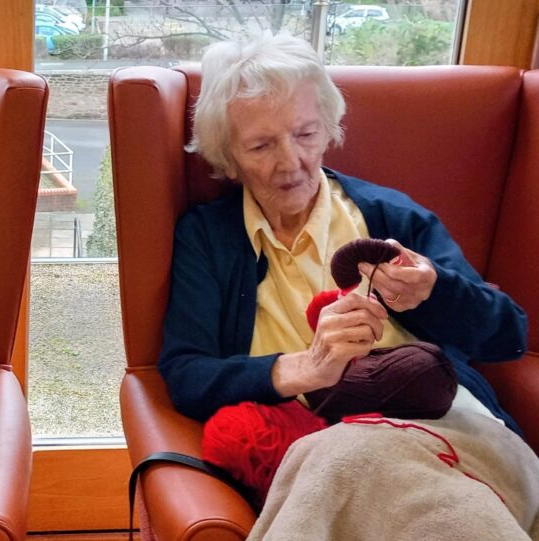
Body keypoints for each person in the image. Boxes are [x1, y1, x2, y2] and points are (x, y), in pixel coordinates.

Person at [158, 36, 539, 538]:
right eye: (261, 146)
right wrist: (306, 368)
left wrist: (434, 291)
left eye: (306, 134)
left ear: (328, 127)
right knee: (347, 460)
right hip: (317, 448)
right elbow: (186, 374)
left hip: (449, 431)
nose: (291, 161)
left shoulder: (391, 218)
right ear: (227, 154)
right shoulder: (207, 239)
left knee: (349, 461)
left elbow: (509, 335)